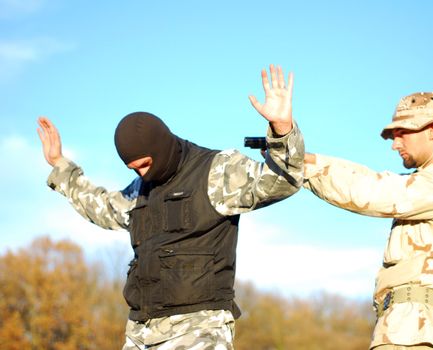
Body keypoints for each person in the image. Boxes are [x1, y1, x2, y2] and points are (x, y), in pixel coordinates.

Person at [37, 65, 304, 350]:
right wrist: (60, 166)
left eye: (145, 164)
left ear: (160, 147)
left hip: (199, 329)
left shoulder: (214, 171)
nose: (141, 174)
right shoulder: (142, 189)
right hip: (141, 332)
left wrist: (282, 131)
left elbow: (281, 181)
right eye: (133, 168)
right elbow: (103, 207)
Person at [303, 92, 433, 350]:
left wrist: (300, 164)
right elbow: (371, 180)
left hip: (414, 330)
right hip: (406, 326)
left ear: (432, 130)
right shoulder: (429, 184)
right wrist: (303, 159)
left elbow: (371, 191)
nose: (394, 144)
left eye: (402, 133)